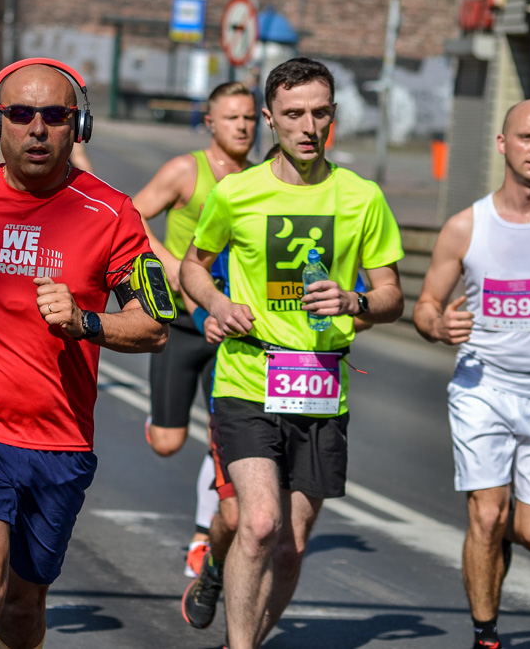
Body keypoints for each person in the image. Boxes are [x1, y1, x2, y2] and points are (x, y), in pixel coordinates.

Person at [0, 58, 168, 649]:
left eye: (54, 115)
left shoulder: (112, 214)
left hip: (59, 440)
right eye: (20, 114)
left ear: (79, 126)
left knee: (22, 605)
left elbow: (153, 326)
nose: (36, 129)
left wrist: (87, 321)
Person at [180, 57, 405, 649]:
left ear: (334, 116)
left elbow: (391, 297)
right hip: (248, 376)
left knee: (292, 542)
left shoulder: (362, 197)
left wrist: (356, 301)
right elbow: (192, 266)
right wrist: (214, 307)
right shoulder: (237, 192)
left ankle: (239, 635)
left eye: (320, 112)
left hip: (322, 385)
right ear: (270, 119)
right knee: (257, 522)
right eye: (294, 114)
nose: (309, 126)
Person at [412, 99, 530, 649]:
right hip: (482, 387)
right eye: (527, 138)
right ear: (503, 144)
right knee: (487, 515)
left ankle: (507, 516)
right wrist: (438, 324)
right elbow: (426, 304)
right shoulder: (466, 226)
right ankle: (485, 636)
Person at [133, 81, 256, 578]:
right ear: (210, 123)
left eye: (249, 118)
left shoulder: (264, 179)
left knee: (223, 434)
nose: (242, 127)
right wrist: (174, 268)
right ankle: (160, 421)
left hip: (230, 328)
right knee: (167, 441)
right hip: (183, 324)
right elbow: (132, 217)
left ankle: (205, 536)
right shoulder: (187, 171)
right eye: (231, 118)